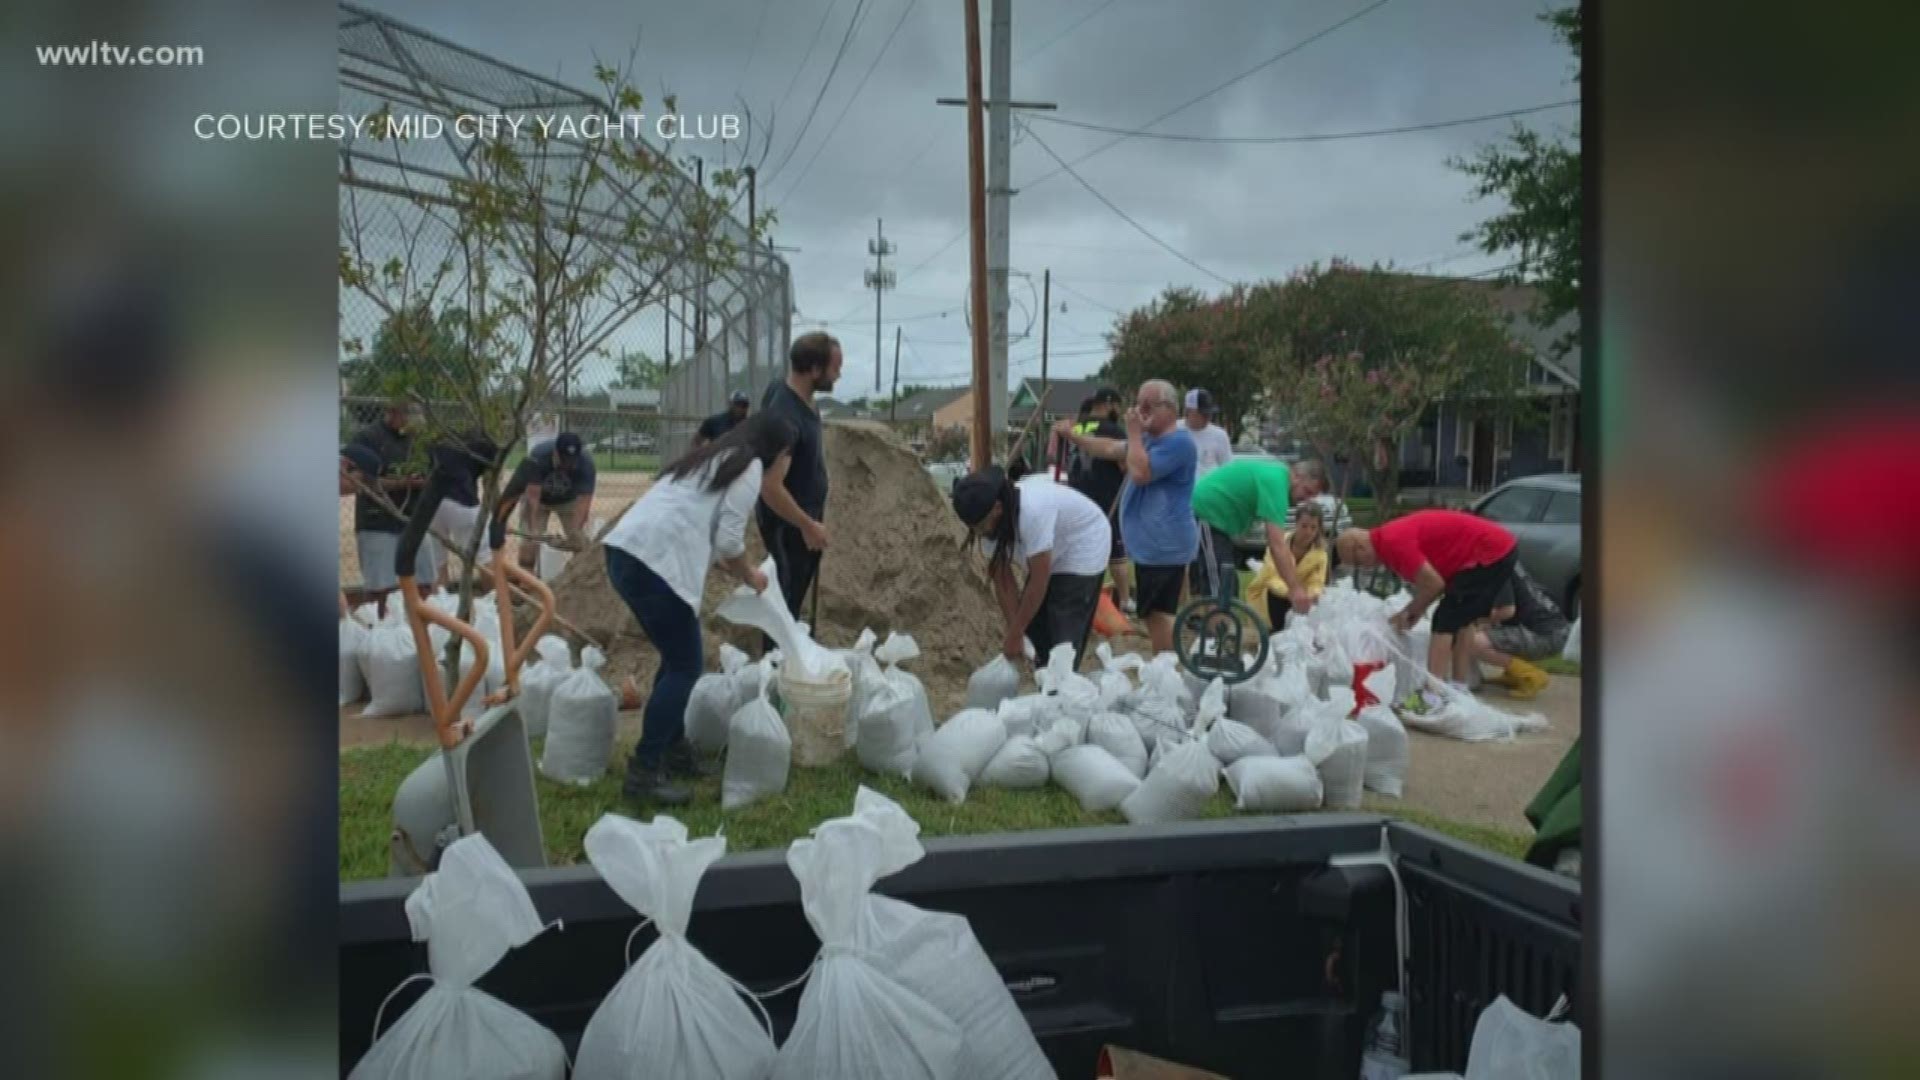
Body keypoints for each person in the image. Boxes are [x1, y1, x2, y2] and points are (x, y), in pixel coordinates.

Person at [599, 411, 795, 807]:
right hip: (652, 562)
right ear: (780, 451)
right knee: (686, 665)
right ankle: (645, 771)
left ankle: (670, 750)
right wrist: (750, 576)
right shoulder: (750, 467)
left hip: (626, 552)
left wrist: (737, 568)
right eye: (790, 456)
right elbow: (727, 540)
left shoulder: (712, 456)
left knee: (676, 660)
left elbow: (702, 527)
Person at [1054, 379, 1197, 655]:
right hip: (1153, 546)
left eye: (1147, 405)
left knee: (1157, 614)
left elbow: (1141, 474)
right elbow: (1108, 448)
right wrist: (1074, 437)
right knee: (1155, 612)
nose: (1138, 411)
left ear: (1168, 408)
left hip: (1164, 543)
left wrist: (1132, 433)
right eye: (1138, 404)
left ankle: (1165, 668)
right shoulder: (1147, 440)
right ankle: (1165, 664)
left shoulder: (1178, 442)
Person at [1334, 509, 1521, 712]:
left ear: (1360, 547)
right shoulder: (1389, 539)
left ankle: (1432, 695)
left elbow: (1434, 584)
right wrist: (1414, 610)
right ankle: (1458, 687)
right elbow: (1432, 582)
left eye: (1359, 563)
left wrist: (1411, 611)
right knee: (1462, 618)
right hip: (1496, 549)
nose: (1365, 567)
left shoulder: (1392, 542)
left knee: (1444, 620)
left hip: (1488, 552)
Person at [952, 466, 1113, 670]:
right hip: (1054, 545)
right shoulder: (987, 527)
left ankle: (1063, 686)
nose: (978, 532)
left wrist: (1016, 632)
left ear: (997, 509)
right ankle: (1045, 682)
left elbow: (1039, 580)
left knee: (1064, 624)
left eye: (981, 526)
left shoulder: (1032, 511)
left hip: (1085, 540)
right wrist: (1016, 630)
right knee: (1036, 628)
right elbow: (1003, 580)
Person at [756, 331, 838, 643]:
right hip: (787, 527)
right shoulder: (786, 416)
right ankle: (776, 674)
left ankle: (787, 664)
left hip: (803, 522)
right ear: (814, 370)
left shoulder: (794, 394)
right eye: (834, 368)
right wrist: (807, 525)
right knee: (782, 606)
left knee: (789, 604)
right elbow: (770, 487)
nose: (839, 374)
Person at [1190, 455, 1330, 609]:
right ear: (1296, 475)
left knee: (1227, 584)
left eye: (1312, 496)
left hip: (1216, 518)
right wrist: (1295, 589)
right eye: (1307, 491)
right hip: (1207, 512)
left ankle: (1212, 627)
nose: (1305, 499)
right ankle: (1215, 631)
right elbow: (1277, 544)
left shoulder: (1277, 477)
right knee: (1220, 589)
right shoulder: (1276, 483)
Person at [348, 399, 437, 613]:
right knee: (380, 588)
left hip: (413, 519)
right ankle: (379, 631)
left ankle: (420, 629)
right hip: (377, 521)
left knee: (425, 582)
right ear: (393, 412)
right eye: (408, 418)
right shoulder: (368, 438)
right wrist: (402, 483)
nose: (412, 425)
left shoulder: (418, 440)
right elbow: (359, 482)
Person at [1066, 387, 1133, 613]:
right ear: (1109, 403)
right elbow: (1125, 464)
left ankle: (1082, 596)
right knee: (1116, 553)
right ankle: (1124, 600)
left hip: (1077, 496)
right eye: (1118, 405)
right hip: (1106, 496)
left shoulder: (1078, 427)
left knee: (1080, 549)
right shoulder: (1113, 430)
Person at [507, 432, 597, 574]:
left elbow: (584, 501)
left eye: (571, 461)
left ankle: (580, 581)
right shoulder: (538, 456)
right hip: (539, 501)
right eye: (564, 460)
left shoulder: (586, 463)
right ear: (555, 452)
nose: (567, 465)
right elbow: (532, 496)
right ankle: (526, 582)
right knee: (529, 542)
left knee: (581, 544)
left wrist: (575, 531)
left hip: (569, 501)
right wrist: (534, 530)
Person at [1468, 561, 1561, 698]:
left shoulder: (1496, 568)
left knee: (1472, 642)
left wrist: (1472, 620)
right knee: (1485, 630)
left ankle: (1530, 676)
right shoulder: (1509, 563)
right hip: (1552, 630)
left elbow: (1506, 611)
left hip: (1545, 635)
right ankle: (1512, 675)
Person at [1246, 501, 1330, 632]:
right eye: (1304, 526)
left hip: (1301, 601)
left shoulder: (1321, 554)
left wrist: (1312, 594)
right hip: (1271, 593)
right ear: (1296, 524)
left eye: (1313, 528)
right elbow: (1270, 577)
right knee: (1277, 599)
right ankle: (1274, 630)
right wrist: (1291, 592)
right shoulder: (1278, 544)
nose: (1308, 532)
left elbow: (1316, 582)